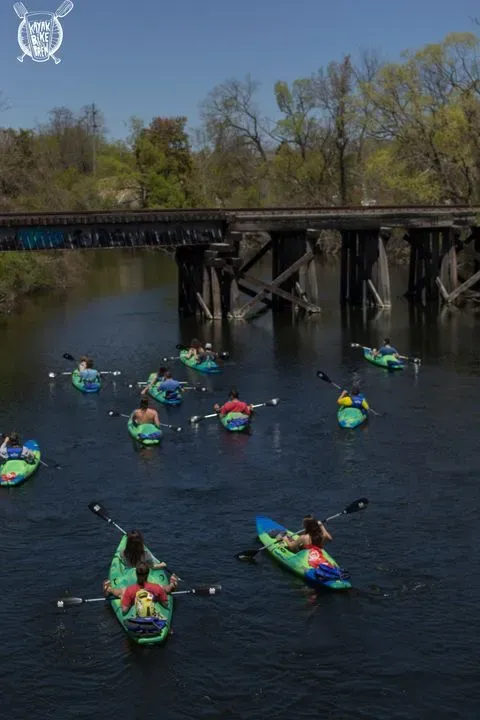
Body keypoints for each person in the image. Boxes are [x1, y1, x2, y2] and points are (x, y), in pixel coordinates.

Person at [103, 561, 178, 616]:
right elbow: (165, 604)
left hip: (133, 594)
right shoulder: (157, 587)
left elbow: (124, 610)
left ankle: (109, 589)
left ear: (136, 574)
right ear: (148, 573)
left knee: (122, 591)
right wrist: (157, 598)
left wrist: (123, 598)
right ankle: (172, 584)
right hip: (154, 591)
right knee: (162, 588)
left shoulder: (129, 590)